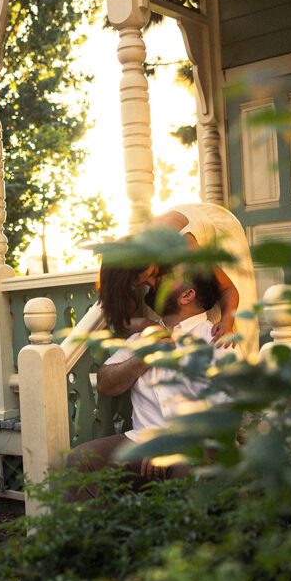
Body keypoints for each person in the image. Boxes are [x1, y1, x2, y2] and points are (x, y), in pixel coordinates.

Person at [66, 267, 227, 496]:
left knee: (189, 468)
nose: (156, 280)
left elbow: (224, 413)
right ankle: (98, 531)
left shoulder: (215, 340)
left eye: (170, 277)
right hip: (138, 442)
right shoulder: (140, 338)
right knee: (80, 461)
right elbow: (105, 383)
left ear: (187, 295)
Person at [97, 203, 259, 357]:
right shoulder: (129, 267)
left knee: (231, 326)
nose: (152, 285)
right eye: (143, 284)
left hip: (215, 228)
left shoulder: (183, 245)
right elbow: (117, 321)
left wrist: (226, 323)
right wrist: (145, 324)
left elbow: (227, 289)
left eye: (153, 274)